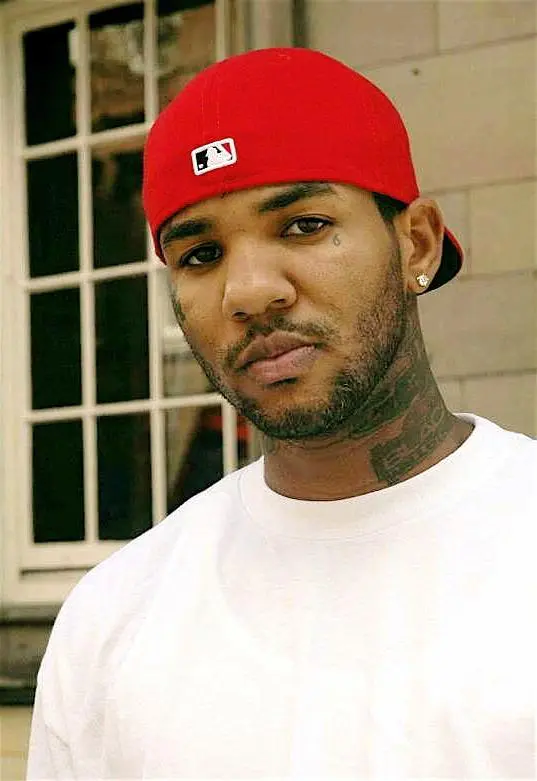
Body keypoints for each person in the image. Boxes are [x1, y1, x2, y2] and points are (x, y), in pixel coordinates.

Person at [27, 47, 535, 780]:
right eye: (200, 254)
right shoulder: (113, 616)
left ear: (415, 243)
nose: (249, 291)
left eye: (303, 225)